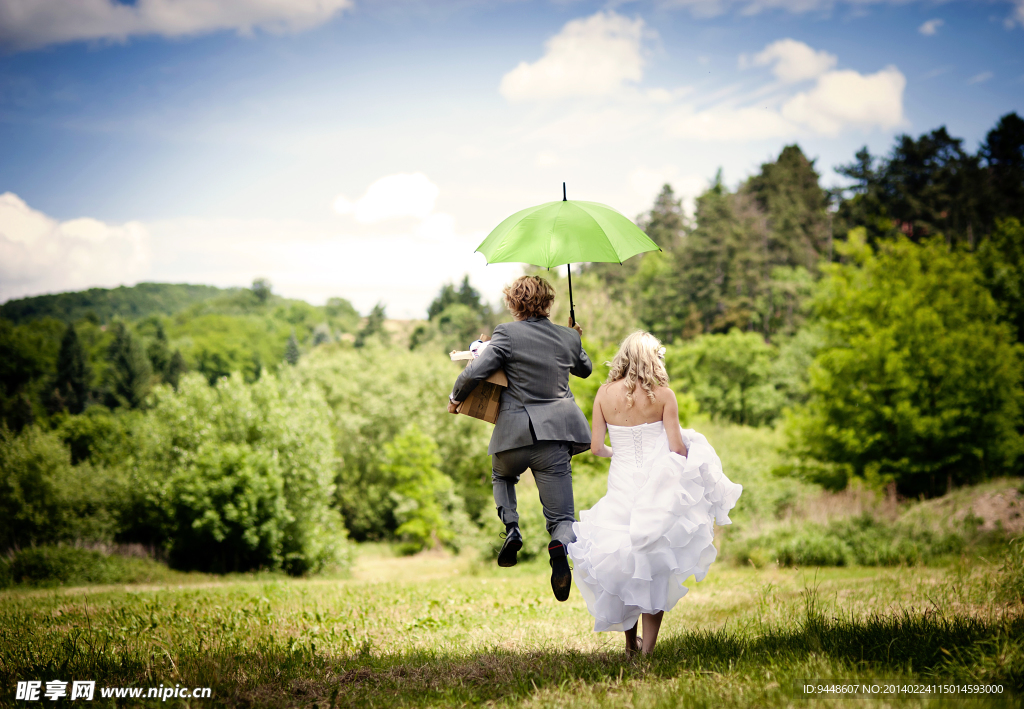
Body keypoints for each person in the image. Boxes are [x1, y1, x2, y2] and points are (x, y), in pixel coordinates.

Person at [567, 331, 742, 657]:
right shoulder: (664, 396)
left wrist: (616, 452)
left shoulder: (604, 394)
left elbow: (594, 448)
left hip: (621, 485)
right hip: (656, 487)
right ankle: (647, 651)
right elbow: (676, 449)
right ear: (653, 358)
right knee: (654, 564)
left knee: (624, 560)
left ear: (622, 357)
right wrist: (697, 455)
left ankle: (629, 645)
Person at [448, 275, 593, 601]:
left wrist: (456, 398)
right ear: (549, 303)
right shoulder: (567, 337)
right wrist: (575, 338)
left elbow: (475, 371)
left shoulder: (506, 334)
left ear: (513, 304)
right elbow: (585, 370)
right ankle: (558, 545)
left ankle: (512, 527)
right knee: (563, 519)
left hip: (512, 436)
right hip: (555, 438)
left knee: (502, 475)